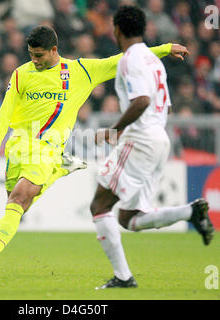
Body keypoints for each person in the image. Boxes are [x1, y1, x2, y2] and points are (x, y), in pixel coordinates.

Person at [0, 25, 190, 275]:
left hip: (47, 149)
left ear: (54, 50)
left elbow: (121, 59)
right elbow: (3, 116)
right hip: (18, 148)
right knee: (19, 205)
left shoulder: (80, 71)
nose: (34, 59)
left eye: (39, 55)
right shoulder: (21, 74)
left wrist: (163, 49)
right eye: (31, 54)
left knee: (19, 198)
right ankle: (59, 169)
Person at [90, 5, 215, 290]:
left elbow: (142, 100)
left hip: (141, 139)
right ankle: (190, 212)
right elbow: (165, 107)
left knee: (99, 204)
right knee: (129, 218)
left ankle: (123, 277)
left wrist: (115, 130)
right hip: (160, 138)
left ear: (117, 30)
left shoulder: (130, 60)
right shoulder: (154, 61)